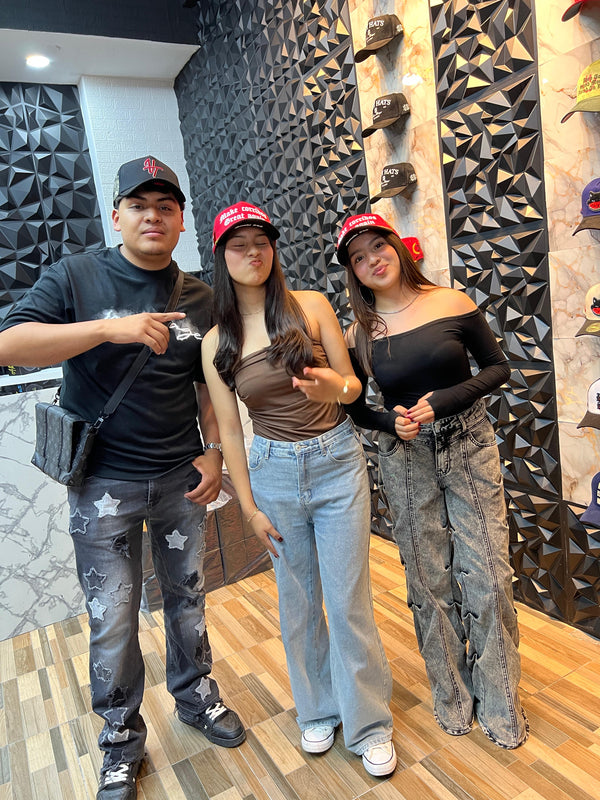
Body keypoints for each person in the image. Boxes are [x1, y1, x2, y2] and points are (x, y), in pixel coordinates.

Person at [0, 157, 246, 800]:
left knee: (188, 598)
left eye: (166, 206)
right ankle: (120, 739)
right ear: (117, 216)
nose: (152, 216)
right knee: (112, 618)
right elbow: (8, 344)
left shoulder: (199, 297)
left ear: (182, 220)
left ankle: (195, 696)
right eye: (139, 205)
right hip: (103, 484)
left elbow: (206, 384)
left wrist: (213, 452)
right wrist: (111, 329)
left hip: (180, 479)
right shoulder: (77, 275)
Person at [201, 202, 396, 777]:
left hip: (335, 461)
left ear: (273, 249)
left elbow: (353, 387)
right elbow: (230, 429)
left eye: (261, 241)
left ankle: (369, 724)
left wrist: (335, 386)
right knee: (298, 599)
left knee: (348, 599)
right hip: (273, 471)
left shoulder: (310, 307)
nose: (253, 252)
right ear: (222, 256)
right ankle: (317, 710)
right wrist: (248, 507)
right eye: (239, 245)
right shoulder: (217, 342)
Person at [336, 212, 528, 750]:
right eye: (358, 258)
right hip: (405, 456)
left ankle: (501, 701)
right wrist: (387, 421)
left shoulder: (451, 302)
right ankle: (451, 695)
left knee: (489, 574)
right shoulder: (359, 333)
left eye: (378, 247)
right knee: (427, 580)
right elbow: (355, 405)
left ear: (396, 247)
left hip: (469, 444)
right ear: (353, 271)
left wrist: (445, 400)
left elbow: (497, 368)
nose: (372, 260)